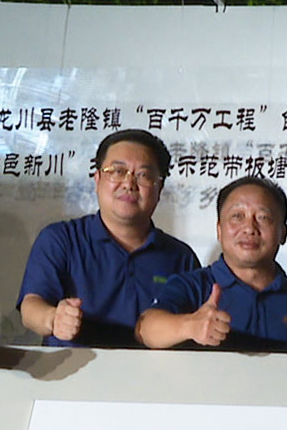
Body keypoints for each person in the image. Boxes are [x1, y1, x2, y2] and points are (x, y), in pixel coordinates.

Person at [18, 130, 199, 347]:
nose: (129, 183)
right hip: (77, 367)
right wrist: (53, 318)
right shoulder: (61, 239)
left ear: (159, 188)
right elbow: (31, 307)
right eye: (118, 171)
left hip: (154, 369)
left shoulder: (180, 257)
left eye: (143, 175)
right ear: (97, 180)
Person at [137, 175, 287, 352]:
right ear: (219, 230)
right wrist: (190, 326)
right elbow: (146, 330)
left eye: (263, 217)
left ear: (283, 233)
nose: (249, 228)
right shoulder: (192, 286)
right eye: (237, 216)